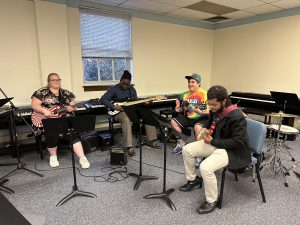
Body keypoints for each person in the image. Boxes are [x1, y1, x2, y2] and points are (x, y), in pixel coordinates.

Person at [179, 85, 251, 214]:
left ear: (223, 101)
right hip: (217, 143)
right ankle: (193, 180)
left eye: (213, 105)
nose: (211, 107)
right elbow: (210, 120)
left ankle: (212, 200)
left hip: (233, 151)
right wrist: (204, 129)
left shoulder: (237, 116)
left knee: (205, 167)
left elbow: (238, 141)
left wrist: (212, 141)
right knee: (187, 149)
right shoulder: (215, 108)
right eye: (209, 104)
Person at [31, 73, 90, 169]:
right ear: (49, 82)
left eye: (58, 79)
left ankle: (82, 158)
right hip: (46, 119)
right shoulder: (41, 92)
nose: (56, 81)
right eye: (53, 80)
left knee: (72, 133)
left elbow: (72, 106)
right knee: (51, 133)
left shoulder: (66, 93)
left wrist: (72, 108)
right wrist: (44, 110)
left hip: (63, 119)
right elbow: (34, 105)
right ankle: (53, 157)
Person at [100, 70, 160, 156]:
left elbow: (135, 102)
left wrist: (144, 102)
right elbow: (103, 99)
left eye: (127, 84)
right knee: (126, 119)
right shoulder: (114, 89)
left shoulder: (132, 90)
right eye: (123, 83)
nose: (124, 86)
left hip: (131, 110)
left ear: (130, 83)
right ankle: (129, 147)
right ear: (120, 81)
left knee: (147, 114)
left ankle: (151, 141)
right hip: (119, 112)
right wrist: (114, 106)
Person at [171, 73, 209, 154]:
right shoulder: (185, 94)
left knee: (197, 127)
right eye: (189, 82)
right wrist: (178, 106)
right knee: (173, 122)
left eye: (193, 82)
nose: (190, 84)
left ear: (198, 84)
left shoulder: (205, 94)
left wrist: (200, 111)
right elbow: (178, 99)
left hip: (202, 117)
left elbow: (210, 110)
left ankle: (200, 152)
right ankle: (181, 142)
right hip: (189, 117)